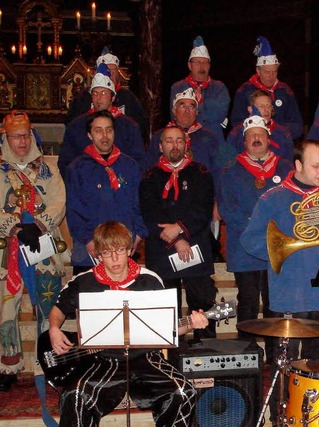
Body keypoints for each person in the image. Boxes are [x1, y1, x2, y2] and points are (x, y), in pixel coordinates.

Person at [48, 221, 208, 427]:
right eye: (107, 253)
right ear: (97, 254)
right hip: (102, 361)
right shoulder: (83, 281)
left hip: (146, 357)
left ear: (130, 250)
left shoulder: (149, 279)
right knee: (75, 396)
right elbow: (57, 309)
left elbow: (167, 328)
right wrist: (54, 328)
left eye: (120, 250)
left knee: (183, 390)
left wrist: (191, 324)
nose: (114, 259)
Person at [241, 140, 319, 421]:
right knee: (285, 363)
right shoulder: (272, 199)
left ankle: (313, 415)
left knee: (318, 362)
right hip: (287, 293)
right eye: (316, 166)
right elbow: (248, 241)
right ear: (299, 166)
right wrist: (281, 247)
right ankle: (282, 416)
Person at [0, 111, 66, 391]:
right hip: (8, 253)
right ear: (5, 137)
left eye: (26, 135)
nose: (22, 141)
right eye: (16, 136)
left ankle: (48, 364)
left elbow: (58, 202)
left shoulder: (49, 172)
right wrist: (15, 228)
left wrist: (39, 225)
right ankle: (8, 366)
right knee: (7, 311)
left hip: (42, 248)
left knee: (48, 308)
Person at [140, 126, 217, 340]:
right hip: (162, 251)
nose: (175, 145)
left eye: (179, 141)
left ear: (186, 144)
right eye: (169, 141)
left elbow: (202, 209)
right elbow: (148, 213)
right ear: (160, 146)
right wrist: (175, 240)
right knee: (167, 315)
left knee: (203, 309)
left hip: (195, 248)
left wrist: (181, 230)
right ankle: (172, 361)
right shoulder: (148, 177)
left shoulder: (201, 173)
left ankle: (206, 356)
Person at [220, 112, 293, 336]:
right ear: (244, 141)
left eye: (260, 134)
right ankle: (247, 353)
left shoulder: (286, 168)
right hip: (245, 247)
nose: (256, 139)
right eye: (251, 136)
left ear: (269, 139)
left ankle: (274, 356)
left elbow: (292, 203)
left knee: (275, 303)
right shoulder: (230, 170)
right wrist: (257, 229)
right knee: (248, 301)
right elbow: (227, 208)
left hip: (276, 246)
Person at [66, 110, 147, 275]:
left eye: (109, 130)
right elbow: (73, 208)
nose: (104, 135)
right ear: (89, 135)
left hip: (125, 246)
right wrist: (88, 240)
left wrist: (137, 235)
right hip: (90, 248)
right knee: (90, 297)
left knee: (124, 298)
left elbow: (141, 203)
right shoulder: (77, 168)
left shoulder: (129, 166)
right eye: (98, 130)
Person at [59, 63, 147, 178]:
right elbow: (66, 163)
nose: (98, 98)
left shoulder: (129, 126)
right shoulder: (76, 126)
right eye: (95, 93)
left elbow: (139, 162)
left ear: (113, 97)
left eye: (104, 93)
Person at [230, 36, 303, 140]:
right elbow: (236, 123)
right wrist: (258, 131)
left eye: (275, 71)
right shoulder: (244, 91)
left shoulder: (285, 91)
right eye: (267, 72)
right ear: (258, 71)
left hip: (281, 143)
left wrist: (276, 132)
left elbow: (297, 125)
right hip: (253, 142)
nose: (271, 76)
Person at [66, 47, 148, 138]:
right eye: (108, 70)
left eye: (114, 71)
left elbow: (140, 125)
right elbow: (72, 123)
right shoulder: (84, 96)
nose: (110, 75)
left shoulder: (128, 97)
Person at [170, 36, 230, 140]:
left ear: (209, 66)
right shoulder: (178, 87)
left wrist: (197, 106)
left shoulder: (219, 88)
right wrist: (206, 107)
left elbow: (218, 116)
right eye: (197, 62)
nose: (201, 66)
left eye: (205, 62)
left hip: (214, 141)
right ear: (190, 65)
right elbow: (177, 118)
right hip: (185, 140)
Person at [227, 89, 294, 162]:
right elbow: (228, 162)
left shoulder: (283, 133)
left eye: (268, 106)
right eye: (261, 106)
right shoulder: (237, 133)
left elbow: (288, 163)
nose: (266, 110)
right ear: (250, 109)